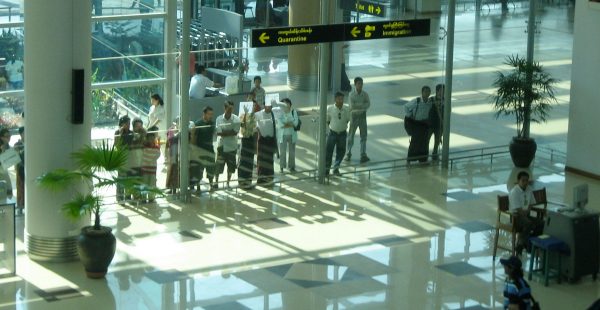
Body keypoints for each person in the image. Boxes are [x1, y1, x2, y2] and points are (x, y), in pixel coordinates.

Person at [509, 171, 544, 254]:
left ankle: (530, 243)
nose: (525, 183)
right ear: (518, 181)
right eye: (523, 180)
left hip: (526, 215)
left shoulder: (529, 189)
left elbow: (531, 203)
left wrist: (528, 210)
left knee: (541, 223)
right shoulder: (514, 192)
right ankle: (520, 245)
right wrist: (525, 212)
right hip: (516, 217)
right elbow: (518, 209)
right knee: (528, 223)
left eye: (527, 180)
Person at [215, 101, 241, 188]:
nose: (230, 110)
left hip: (232, 147)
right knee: (218, 166)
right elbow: (218, 133)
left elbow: (235, 132)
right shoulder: (218, 119)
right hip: (221, 146)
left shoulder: (236, 119)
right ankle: (216, 182)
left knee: (231, 167)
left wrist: (225, 132)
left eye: (232, 108)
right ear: (225, 108)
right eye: (229, 108)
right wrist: (229, 132)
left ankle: (228, 183)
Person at [405, 85, 433, 163]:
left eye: (428, 91)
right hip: (417, 124)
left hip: (425, 125)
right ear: (422, 92)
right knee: (415, 142)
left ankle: (423, 159)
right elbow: (406, 107)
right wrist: (410, 115)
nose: (427, 93)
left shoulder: (430, 102)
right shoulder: (416, 101)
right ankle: (410, 158)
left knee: (424, 143)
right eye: (425, 91)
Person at [345, 77, 371, 163]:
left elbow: (368, 104)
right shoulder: (351, 94)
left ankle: (363, 154)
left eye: (361, 84)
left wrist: (358, 106)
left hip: (363, 116)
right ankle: (348, 154)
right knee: (351, 135)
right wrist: (362, 106)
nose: (360, 85)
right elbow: (352, 106)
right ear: (355, 84)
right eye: (359, 84)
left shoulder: (365, 94)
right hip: (354, 116)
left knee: (364, 136)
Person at [191, 106, 216, 192]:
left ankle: (211, 185)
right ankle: (198, 187)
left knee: (211, 169)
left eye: (212, 114)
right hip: (200, 151)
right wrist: (194, 150)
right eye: (209, 114)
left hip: (210, 150)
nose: (211, 116)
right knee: (199, 170)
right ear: (204, 114)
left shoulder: (212, 123)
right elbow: (194, 137)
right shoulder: (197, 124)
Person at [326, 92, 351, 176]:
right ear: (335, 99)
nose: (341, 101)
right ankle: (326, 170)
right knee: (328, 152)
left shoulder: (346, 108)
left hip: (342, 134)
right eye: (339, 99)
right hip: (332, 133)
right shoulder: (330, 108)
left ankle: (336, 168)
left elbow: (348, 119)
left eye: (342, 99)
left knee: (341, 152)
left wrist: (342, 126)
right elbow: (327, 120)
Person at [239, 100, 260, 189]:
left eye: (254, 105)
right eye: (252, 105)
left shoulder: (255, 116)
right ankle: (241, 182)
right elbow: (242, 125)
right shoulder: (242, 115)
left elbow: (256, 129)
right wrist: (245, 114)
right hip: (245, 139)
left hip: (251, 139)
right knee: (243, 161)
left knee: (250, 162)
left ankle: (248, 182)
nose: (253, 107)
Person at [255, 101, 278, 185]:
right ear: (264, 106)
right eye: (267, 105)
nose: (268, 107)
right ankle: (261, 179)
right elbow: (253, 123)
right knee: (261, 159)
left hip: (270, 140)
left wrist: (277, 102)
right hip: (262, 140)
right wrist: (258, 131)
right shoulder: (258, 114)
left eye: (270, 106)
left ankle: (269, 178)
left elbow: (284, 108)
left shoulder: (274, 113)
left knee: (269, 159)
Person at [115, 115, 134, 201]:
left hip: (129, 157)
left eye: (129, 123)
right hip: (121, 157)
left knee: (129, 176)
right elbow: (116, 144)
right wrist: (120, 133)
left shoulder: (131, 132)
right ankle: (120, 196)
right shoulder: (117, 132)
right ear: (122, 124)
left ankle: (128, 195)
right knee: (121, 177)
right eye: (126, 123)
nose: (128, 125)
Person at [277, 98, 298, 173]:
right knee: (282, 152)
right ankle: (282, 167)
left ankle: (291, 167)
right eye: (284, 104)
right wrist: (290, 124)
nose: (286, 105)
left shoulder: (293, 112)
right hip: (282, 136)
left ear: (290, 104)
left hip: (292, 135)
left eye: (287, 103)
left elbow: (296, 123)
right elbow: (280, 125)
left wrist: (287, 124)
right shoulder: (280, 113)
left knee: (292, 152)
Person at [141, 126, 161, 202]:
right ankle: (143, 197)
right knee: (145, 183)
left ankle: (151, 198)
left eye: (153, 138)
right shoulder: (144, 146)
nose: (152, 140)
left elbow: (157, 155)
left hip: (152, 169)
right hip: (145, 169)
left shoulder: (156, 147)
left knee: (152, 183)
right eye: (150, 138)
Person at [430, 84, 444, 161]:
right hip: (431, 124)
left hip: (439, 125)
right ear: (437, 91)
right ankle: (424, 155)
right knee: (426, 140)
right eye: (441, 90)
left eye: (443, 91)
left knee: (437, 141)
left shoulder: (446, 101)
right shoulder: (431, 100)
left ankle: (434, 154)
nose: (442, 92)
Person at [14, 127, 24, 210]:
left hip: (28, 168)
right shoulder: (17, 145)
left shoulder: (31, 143)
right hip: (20, 169)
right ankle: (20, 207)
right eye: (24, 133)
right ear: (21, 134)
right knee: (20, 187)